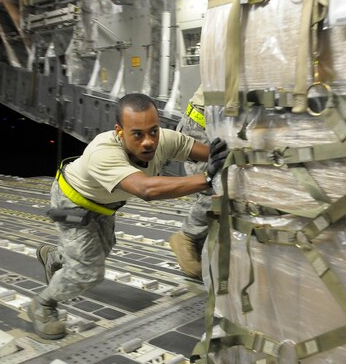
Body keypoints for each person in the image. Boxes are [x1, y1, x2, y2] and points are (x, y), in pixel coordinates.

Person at [29, 93, 228, 340]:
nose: (148, 142)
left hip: (105, 204)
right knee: (89, 271)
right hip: (73, 202)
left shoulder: (162, 140)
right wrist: (206, 178)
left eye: (153, 131)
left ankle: (56, 258)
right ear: (119, 131)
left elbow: (206, 153)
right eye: (137, 134)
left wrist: (224, 155)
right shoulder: (103, 152)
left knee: (103, 248)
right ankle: (43, 304)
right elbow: (147, 189)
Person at [169, 86, 211, 279]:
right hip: (202, 126)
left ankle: (202, 251)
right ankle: (187, 236)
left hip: (219, 122)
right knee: (216, 186)